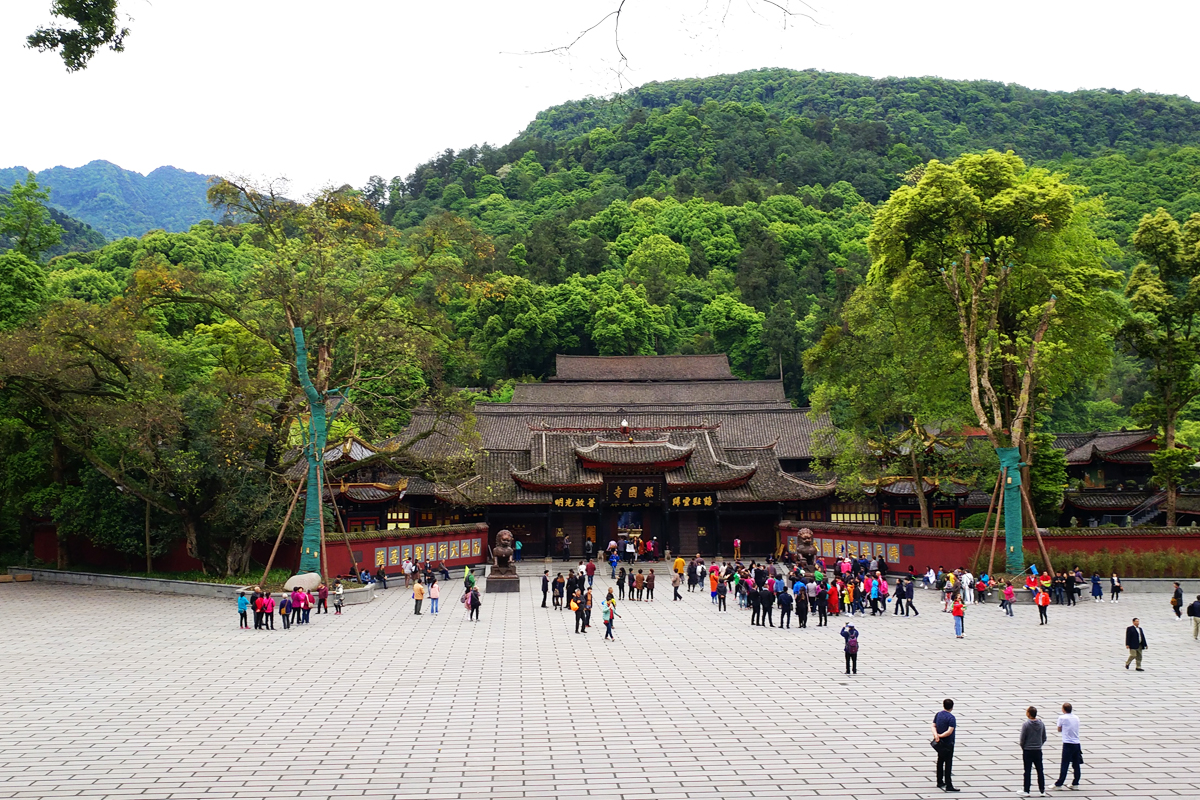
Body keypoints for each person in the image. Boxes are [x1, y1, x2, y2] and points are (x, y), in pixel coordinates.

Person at [1019, 706, 1047, 797]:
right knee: (1040, 770)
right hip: (1038, 750)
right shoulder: (1041, 724)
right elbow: (1044, 737)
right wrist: (1039, 744)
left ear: (1028, 714)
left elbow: (1022, 738)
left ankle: (1026, 790)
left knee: (1027, 771)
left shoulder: (1026, 724)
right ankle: (1042, 790)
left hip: (1028, 750)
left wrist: (1023, 747)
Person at [932, 699, 959, 792]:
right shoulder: (951, 718)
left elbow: (933, 726)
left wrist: (936, 736)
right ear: (952, 707)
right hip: (948, 743)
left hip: (939, 743)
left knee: (940, 761)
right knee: (948, 764)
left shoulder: (938, 714)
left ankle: (939, 781)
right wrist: (941, 735)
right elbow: (949, 731)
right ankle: (948, 784)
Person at [1053, 702, 1082, 790]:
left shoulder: (1062, 717)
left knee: (1065, 764)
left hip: (1067, 743)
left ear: (1063, 709)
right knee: (1076, 764)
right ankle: (1075, 782)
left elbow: (1059, 729)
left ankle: (1059, 784)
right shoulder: (1076, 717)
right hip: (1077, 743)